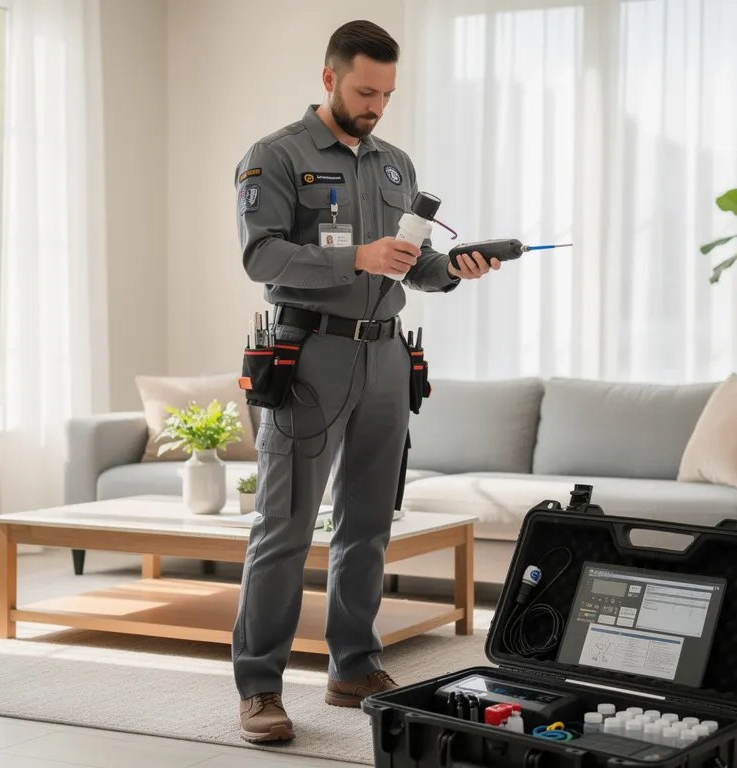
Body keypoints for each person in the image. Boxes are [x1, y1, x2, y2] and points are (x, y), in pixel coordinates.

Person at [230, 20, 501, 743]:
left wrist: (454, 269)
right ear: (329, 79)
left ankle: (353, 665)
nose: (376, 104)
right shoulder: (275, 156)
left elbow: (411, 264)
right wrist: (357, 256)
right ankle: (259, 687)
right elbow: (262, 258)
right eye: (364, 90)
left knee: (368, 526)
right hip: (309, 357)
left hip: (387, 360)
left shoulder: (395, 165)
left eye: (386, 93)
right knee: (284, 528)